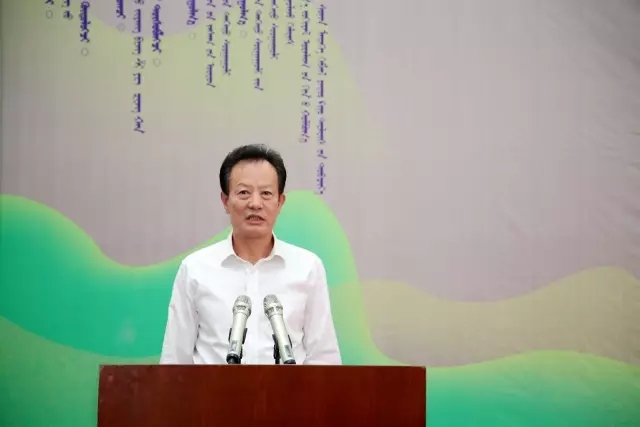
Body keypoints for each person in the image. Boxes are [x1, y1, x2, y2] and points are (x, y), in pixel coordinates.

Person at [159, 144, 341, 365]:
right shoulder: (195, 269)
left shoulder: (307, 268)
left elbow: (324, 358)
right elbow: (175, 360)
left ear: (280, 202)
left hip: (288, 389)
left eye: (266, 194)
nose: (255, 204)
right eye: (244, 193)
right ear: (226, 201)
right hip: (213, 389)